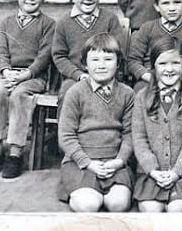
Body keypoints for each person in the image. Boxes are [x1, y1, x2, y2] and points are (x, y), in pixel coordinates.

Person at [57, 33, 134, 212]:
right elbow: (66, 136)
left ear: (118, 62)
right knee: (89, 204)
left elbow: (130, 134)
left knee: (118, 204)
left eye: (108, 59)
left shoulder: (127, 93)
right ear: (85, 63)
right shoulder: (75, 92)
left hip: (114, 162)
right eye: (95, 59)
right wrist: (88, 163)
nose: (101, 65)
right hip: (81, 162)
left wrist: (119, 161)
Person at [0, 0, 55, 178]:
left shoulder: (48, 24)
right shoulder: (5, 23)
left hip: (33, 77)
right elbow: (0, 52)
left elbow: (44, 56)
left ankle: (15, 153)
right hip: (7, 73)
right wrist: (6, 71)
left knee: (20, 95)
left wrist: (26, 74)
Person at [132, 36, 182, 212]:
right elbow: (139, 139)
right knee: (151, 211)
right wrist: (153, 170)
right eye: (163, 63)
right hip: (151, 175)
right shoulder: (142, 97)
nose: (169, 69)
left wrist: (176, 172)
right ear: (153, 66)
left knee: (176, 211)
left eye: (175, 63)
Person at [52, 0, 125, 113]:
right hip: (75, 77)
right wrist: (78, 75)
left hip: (106, 75)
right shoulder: (63, 22)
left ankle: (101, 134)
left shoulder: (110, 19)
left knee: (111, 96)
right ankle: (66, 134)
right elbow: (59, 56)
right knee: (67, 93)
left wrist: (103, 74)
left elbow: (118, 51)